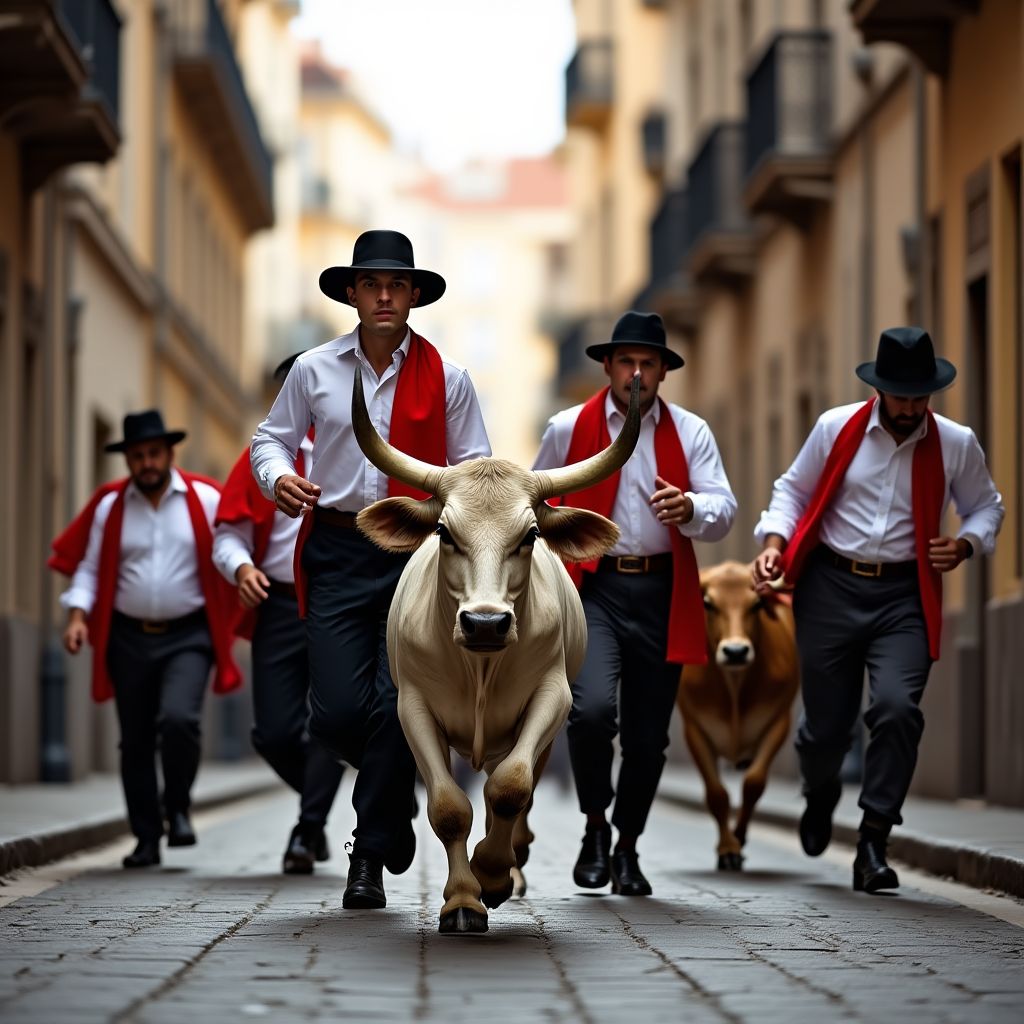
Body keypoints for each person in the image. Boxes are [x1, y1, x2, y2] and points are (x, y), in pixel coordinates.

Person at [250, 229, 491, 909]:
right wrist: (278, 480)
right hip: (334, 546)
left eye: (397, 286)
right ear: (352, 294)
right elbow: (269, 439)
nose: (384, 296)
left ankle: (369, 852)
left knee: (394, 705)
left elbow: (476, 472)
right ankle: (392, 803)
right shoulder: (314, 370)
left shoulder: (451, 380)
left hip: (417, 555)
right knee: (333, 715)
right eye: (371, 285)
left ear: (413, 296)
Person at [752, 327, 1004, 893]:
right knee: (825, 730)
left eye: (921, 397)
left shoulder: (955, 443)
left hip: (904, 596)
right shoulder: (835, 428)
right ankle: (820, 795)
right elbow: (792, 491)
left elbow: (986, 506)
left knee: (895, 710)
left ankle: (873, 838)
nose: (912, 408)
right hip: (831, 588)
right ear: (880, 391)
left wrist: (965, 543)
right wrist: (773, 544)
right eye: (902, 397)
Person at [533, 311, 736, 896]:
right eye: (628, 362)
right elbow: (535, 501)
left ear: (664, 373)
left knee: (649, 738)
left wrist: (692, 508)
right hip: (593, 589)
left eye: (649, 363)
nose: (638, 373)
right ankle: (595, 825)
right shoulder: (567, 427)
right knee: (591, 711)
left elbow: (724, 509)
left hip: (662, 589)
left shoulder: (691, 432)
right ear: (608, 367)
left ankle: (627, 846)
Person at [51, 410, 240, 868]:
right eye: (137, 456)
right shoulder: (110, 506)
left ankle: (177, 804)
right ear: (128, 461)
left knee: (179, 721)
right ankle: (147, 837)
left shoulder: (204, 498)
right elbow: (90, 568)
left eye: (154, 453)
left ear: (169, 454)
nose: (147, 463)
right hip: (127, 637)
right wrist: (78, 617)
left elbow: (231, 544)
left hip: (188, 635)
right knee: (135, 739)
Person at [213, 353, 344, 875]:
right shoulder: (261, 459)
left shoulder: (357, 451)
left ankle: (308, 828)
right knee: (272, 733)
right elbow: (228, 533)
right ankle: (352, 788)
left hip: (339, 596)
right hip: (278, 603)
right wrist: (241, 569)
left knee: (330, 723)